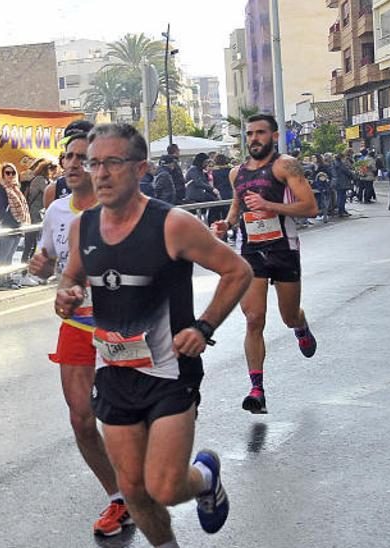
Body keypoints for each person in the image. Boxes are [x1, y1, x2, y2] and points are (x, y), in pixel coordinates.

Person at [56, 123, 252, 546]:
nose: (101, 174)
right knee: (134, 490)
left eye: (113, 163)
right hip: (116, 372)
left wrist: (205, 326)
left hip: (169, 373)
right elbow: (71, 275)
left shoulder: (172, 224)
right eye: (95, 164)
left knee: (163, 487)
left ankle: (204, 477)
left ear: (140, 168)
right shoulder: (83, 227)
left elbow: (238, 270)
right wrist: (67, 293)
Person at [27, 130, 130, 537]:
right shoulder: (56, 211)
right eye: (66, 157)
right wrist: (41, 265)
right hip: (75, 324)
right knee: (81, 419)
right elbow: (50, 257)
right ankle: (119, 496)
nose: (70, 164)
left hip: (118, 325)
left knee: (123, 418)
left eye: (80, 158)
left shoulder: (119, 208)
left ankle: (142, 483)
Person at [214, 114, 319, 414]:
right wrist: (227, 223)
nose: (254, 139)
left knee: (288, 315)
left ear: (274, 136)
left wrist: (270, 205)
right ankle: (256, 389)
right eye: (249, 134)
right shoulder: (237, 173)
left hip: (284, 248)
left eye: (260, 133)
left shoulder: (286, 165)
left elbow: (310, 207)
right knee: (253, 318)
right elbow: (238, 204)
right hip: (251, 251)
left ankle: (300, 326)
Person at [0, 162, 29, 290]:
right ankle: (2, 281)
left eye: (13, 173)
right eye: (7, 173)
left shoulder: (15, 188)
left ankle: (9, 278)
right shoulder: (0, 189)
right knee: (4, 255)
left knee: (11, 255)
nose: (10, 175)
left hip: (17, 224)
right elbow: (0, 209)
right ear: (2, 174)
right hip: (7, 225)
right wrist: (7, 216)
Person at [22, 158, 54, 274]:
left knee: (35, 245)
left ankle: (31, 272)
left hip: (38, 215)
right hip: (34, 215)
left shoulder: (43, 179)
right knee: (30, 245)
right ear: (47, 169)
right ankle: (24, 272)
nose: (55, 171)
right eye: (53, 169)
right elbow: (49, 191)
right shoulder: (40, 180)